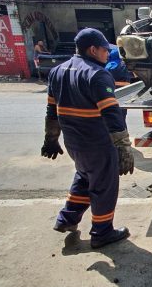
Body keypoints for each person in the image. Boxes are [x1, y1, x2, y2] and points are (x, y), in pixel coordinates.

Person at [41, 28, 135, 249]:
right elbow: (112, 114)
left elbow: (51, 111)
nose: (106, 54)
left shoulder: (57, 71)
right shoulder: (97, 74)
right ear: (93, 49)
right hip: (98, 143)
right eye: (104, 50)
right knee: (104, 186)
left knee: (84, 178)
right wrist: (123, 148)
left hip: (74, 143)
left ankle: (67, 219)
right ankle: (102, 232)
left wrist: (51, 139)